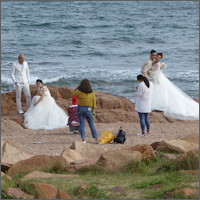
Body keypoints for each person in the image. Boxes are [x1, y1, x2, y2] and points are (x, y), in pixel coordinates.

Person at [150, 53, 199, 120]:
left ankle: (160, 106)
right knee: (159, 91)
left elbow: (155, 72)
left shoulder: (158, 64)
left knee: (160, 91)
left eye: (159, 57)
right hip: (158, 77)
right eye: (157, 56)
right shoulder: (153, 62)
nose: (157, 58)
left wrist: (149, 73)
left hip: (158, 78)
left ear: (160, 58)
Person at [71, 79, 98, 143]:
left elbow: (72, 94)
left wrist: (76, 88)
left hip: (80, 108)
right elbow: (94, 102)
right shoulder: (92, 92)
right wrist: (93, 110)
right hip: (88, 109)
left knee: (82, 124)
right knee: (91, 124)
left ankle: (83, 139)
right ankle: (96, 138)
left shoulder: (79, 92)